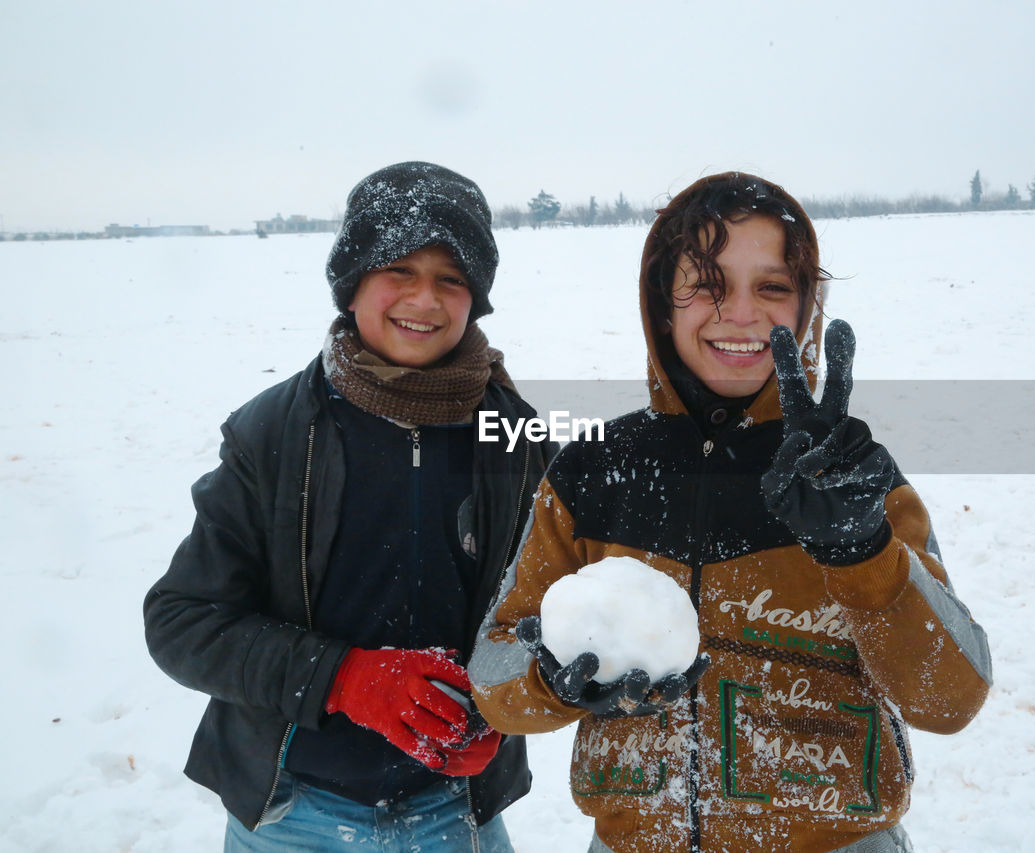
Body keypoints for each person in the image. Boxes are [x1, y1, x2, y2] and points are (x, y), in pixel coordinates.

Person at [469, 172, 992, 853]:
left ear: (806, 306)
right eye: (706, 285)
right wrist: (551, 678)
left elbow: (950, 697)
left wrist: (862, 552)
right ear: (662, 304)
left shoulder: (850, 476)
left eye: (772, 287)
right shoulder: (591, 472)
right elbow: (492, 673)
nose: (739, 313)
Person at [144, 162, 556, 852]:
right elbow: (182, 621)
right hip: (290, 817)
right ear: (352, 282)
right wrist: (342, 677)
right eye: (399, 269)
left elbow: (554, 606)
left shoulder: (517, 436)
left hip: (455, 814)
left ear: (475, 297)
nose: (424, 299)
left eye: (451, 278)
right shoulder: (272, 432)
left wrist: (507, 706)